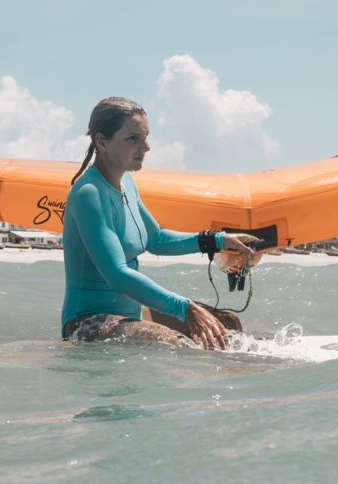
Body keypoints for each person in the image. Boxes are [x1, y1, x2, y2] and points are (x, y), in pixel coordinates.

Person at [62, 97, 258, 350]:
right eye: (133, 138)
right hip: (86, 323)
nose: (146, 146)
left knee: (226, 327)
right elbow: (116, 274)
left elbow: (157, 238)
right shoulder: (88, 193)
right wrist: (184, 308)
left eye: (145, 136)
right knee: (177, 344)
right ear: (102, 141)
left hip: (130, 316)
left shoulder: (126, 185)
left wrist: (219, 240)